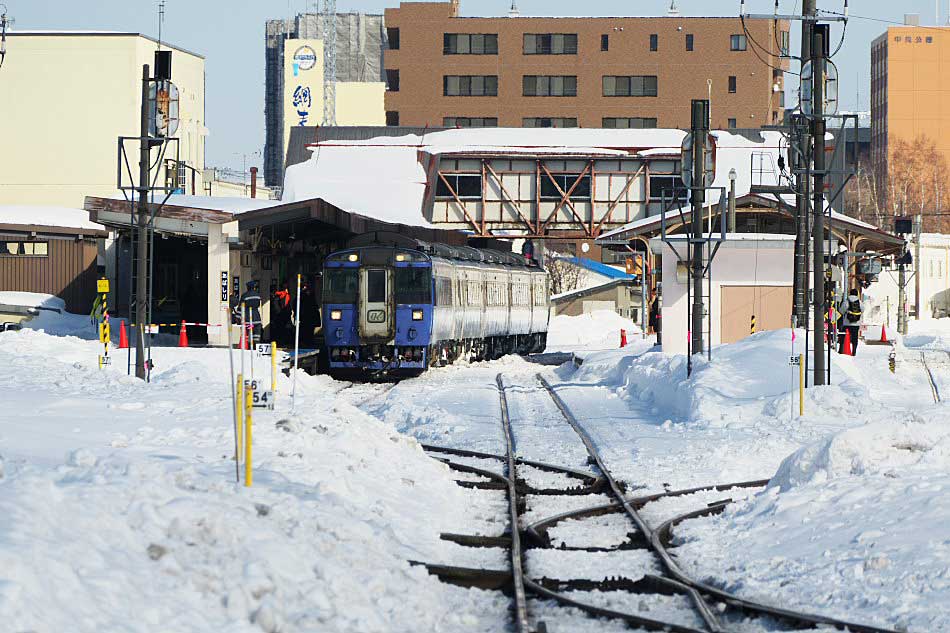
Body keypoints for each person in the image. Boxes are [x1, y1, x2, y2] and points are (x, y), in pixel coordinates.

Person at [837, 288, 862, 355]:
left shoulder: (847, 301)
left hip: (847, 323)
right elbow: (863, 309)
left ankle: (841, 349)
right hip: (856, 323)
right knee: (855, 337)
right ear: (857, 294)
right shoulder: (859, 301)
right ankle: (854, 351)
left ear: (850, 293)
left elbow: (841, 311)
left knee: (843, 336)